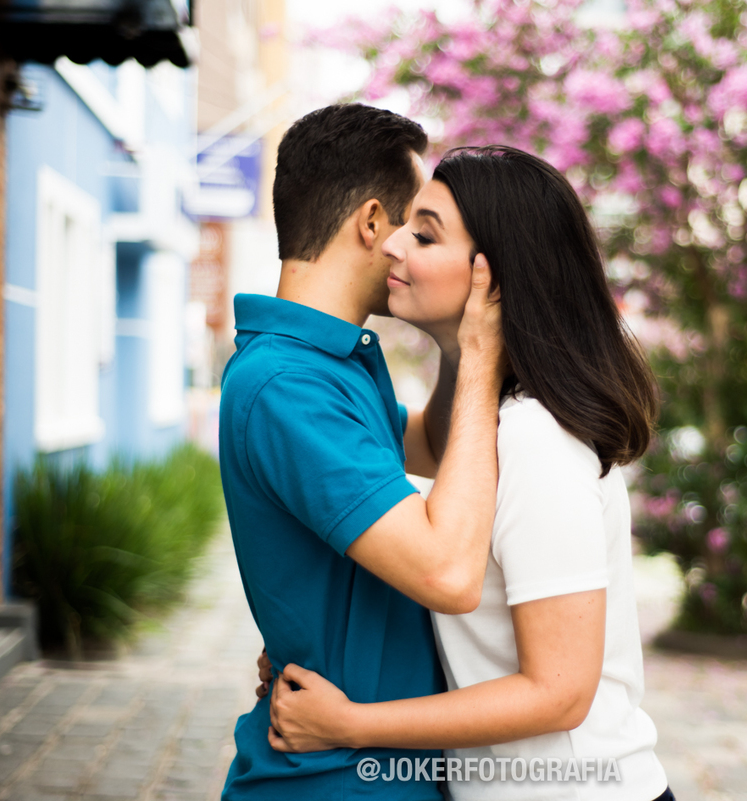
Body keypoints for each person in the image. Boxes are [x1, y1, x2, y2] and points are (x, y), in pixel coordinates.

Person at [261, 146, 674, 801]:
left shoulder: (537, 437)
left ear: (497, 278)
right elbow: (372, 447)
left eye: (423, 234)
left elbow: (560, 692)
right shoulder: (482, 424)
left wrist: (351, 724)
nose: (392, 244)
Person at [218, 105, 507, 800]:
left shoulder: (332, 364)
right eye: (418, 227)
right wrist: (480, 352)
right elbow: (448, 574)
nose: (418, 252)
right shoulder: (290, 385)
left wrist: (451, 335)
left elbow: (440, 447)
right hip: (336, 779)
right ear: (372, 223)